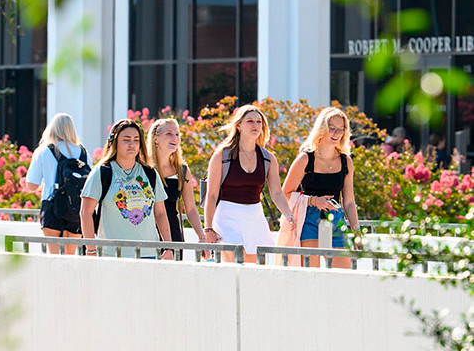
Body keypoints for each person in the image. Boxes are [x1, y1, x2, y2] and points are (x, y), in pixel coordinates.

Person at [204, 105, 296, 263]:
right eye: (250, 121)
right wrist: (208, 228)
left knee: (254, 269)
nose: (255, 125)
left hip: (255, 216)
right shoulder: (222, 156)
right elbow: (211, 195)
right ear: (239, 126)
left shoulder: (268, 158)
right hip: (227, 215)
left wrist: (288, 214)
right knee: (232, 266)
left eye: (259, 122)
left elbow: (277, 193)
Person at [80, 119, 173, 259]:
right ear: (115, 142)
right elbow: (86, 212)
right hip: (112, 254)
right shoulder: (102, 172)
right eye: (126, 140)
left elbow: (160, 213)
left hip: (148, 254)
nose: (132, 144)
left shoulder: (150, 174)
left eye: (136, 140)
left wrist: (168, 246)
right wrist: (91, 249)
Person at [282, 107, 362, 268]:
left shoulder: (346, 161)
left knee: (343, 276)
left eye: (341, 129)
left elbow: (349, 202)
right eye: (332, 128)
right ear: (322, 128)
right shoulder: (305, 158)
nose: (336, 133)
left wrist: (356, 232)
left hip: (335, 219)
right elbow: (285, 192)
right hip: (309, 218)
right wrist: (313, 201)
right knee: (312, 275)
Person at [26, 113, 92, 255]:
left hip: (52, 205)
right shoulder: (83, 153)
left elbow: (31, 185)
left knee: (54, 257)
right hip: (76, 207)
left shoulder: (44, 151)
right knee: (70, 256)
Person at [147, 119, 207, 249]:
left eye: (177, 134)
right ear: (155, 139)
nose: (174, 138)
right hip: (147, 233)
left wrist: (202, 236)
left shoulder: (182, 171)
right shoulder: (143, 168)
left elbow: (190, 209)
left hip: (173, 234)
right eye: (169, 134)